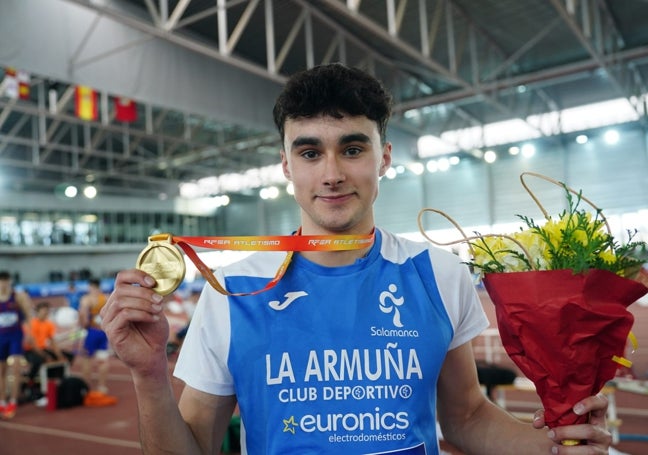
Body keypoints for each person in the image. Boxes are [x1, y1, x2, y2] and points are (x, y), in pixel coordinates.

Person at [101, 64, 612, 454]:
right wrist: (147, 375)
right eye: (309, 153)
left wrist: (557, 444)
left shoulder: (438, 274)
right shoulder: (232, 293)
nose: (331, 174)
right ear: (286, 165)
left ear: (384, 157)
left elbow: (466, 417)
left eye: (351, 149)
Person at [0, 270, 32, 419]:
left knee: (16, 368)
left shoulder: (18, 296)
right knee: (2, 372)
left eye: (6, 281)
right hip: (1, 338)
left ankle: (13, 400)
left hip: (15, 337)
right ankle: (2, 402)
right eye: (1, 281)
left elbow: (28, 315)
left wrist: (30, 334)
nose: (3, 284)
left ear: (10, 281)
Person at [23, 301, 74, 383]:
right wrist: (45, 356)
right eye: (43, 311)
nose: (45, 314)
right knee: (38, 361)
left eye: (47, 312)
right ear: (37, 312)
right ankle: (30, 380)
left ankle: (56, 377)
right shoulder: (31, 324)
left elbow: (53, 342)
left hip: (43, 348)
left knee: (69, 356)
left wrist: (59, 355)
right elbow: (32, 344)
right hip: (30, 350)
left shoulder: (49, 324)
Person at [78, 278, 109, 393]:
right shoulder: (106, 298)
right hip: (103, 332)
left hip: (91, 332)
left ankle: (86, 386)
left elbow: (84, 319)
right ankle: (102, 386)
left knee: (87, 359)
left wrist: (82, 326)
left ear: (90, 286)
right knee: (103, 360)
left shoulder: (86, 299)